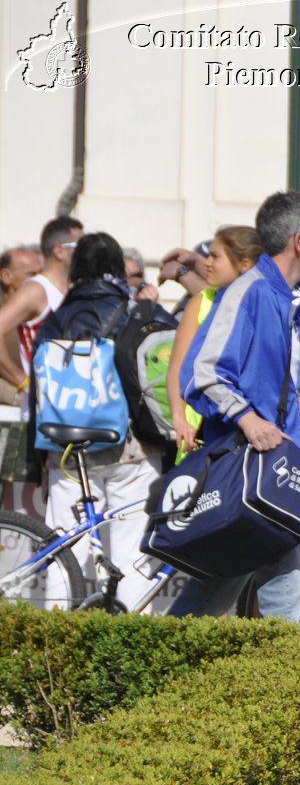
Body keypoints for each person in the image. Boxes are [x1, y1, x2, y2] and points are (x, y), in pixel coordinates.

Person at [173, 191, 300, 623]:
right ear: (298, 240)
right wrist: (250, 421)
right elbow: (202, 374)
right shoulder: (250, 291)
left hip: (272, 467)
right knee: (281, 591)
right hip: (247, 466)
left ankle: (144, 668)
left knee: (217, 585)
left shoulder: (287, 302)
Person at [32, 233, 161, 603]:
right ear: (119, 269)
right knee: (133, 553)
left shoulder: (56, 319)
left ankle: (54, 642)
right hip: (130, 448)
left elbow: (38, 391)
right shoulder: (137, 312)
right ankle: (132, 644)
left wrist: (38, 458)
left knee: (64, 549)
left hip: (66, 446)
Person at [166, 227, 264, 455]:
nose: (207, 263)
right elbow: (177, 369)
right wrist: (180, 421)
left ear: (245, 264)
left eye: (215, 256)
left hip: (257, 429)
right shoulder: (201, 302)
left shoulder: (267, 303)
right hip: (203, 430)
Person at [0, 216, 81, 408]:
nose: (86, 252)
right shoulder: (36, 290)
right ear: (60, 251)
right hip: (43, 415)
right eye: (80, 245)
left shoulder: (74, 290)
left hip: (71, 408)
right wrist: (22, 381)